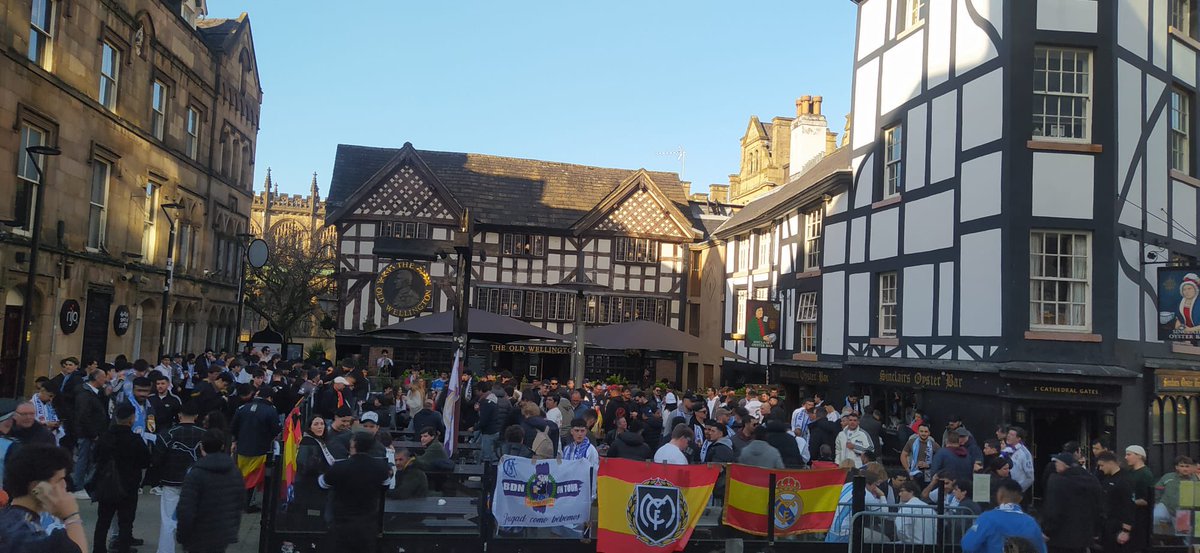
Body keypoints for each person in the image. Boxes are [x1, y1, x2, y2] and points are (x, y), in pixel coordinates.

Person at [0, 444, 88, 553]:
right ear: (37, 488)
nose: (64, 485)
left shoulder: (7, 518)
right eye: (59, 480)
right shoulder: (31, 537)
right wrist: (71, 516)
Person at [91, 402, 152, 553]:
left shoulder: (104, 437)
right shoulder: (135, 440)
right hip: (129, 484)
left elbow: (94, 457)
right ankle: (123, 547)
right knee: (126, 520)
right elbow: (146, 461)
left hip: (107, 483)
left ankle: (98, 548)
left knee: (103, 520)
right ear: (132, 420)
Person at [319, 432, 392, 553]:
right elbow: (386, 485)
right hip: (367, 525)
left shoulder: (340, 466)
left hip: (341, 525)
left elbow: (322, 483)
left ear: (354, 445)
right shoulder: (380, 468)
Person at [175, 429, 243, 553]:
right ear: (223, 446)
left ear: (202, 447)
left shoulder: (195, 473)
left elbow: (186, 510)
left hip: (198, 536)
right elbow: (238, 504)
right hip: (223, 534)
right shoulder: (234, 472)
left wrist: (182, 536)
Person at [157, 401, 206, 553]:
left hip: (171, 481)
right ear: (196, 416)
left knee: (168, 520)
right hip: (197, 483)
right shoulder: (205, 434)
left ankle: (165, 550)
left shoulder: (168, 434)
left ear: (179, 415)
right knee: (196, 519)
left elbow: (157, 459)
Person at [230, 384, 280, 513]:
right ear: (269, 398)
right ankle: (247, 504)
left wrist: (235, 441)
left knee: (243, 475)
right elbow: (275, 429)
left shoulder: (242, 408)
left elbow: (233, 427)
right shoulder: (271, 410)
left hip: (242, 448)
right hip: (260, 449)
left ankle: (239, 502)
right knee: (253, 477)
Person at [961, 480, 1047, 553]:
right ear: (1020, 498)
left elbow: (968, 545)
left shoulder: (987, 518)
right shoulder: (1031, 522)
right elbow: (1042, 549)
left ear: (999, 495)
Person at [1041, 452, 1102, 553]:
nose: (1055, 465)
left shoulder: (1057, 481)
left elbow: (1053, 509)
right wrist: (1096, 531)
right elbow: (1098, 507)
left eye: (1057, 462)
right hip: (1084, 536)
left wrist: (1047, 531)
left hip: (1060, 537)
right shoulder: (1092, 480)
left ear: (1064, 464)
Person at [292, 415, 335, 524]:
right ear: (309, 427)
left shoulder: (318, 440)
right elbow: (304, 464)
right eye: (316, 424)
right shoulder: (308, 442)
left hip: (314, 483)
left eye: (322, 424)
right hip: (309, 484)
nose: (320, 427)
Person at [1098, 451, 1136, 553]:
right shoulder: (1107, 479)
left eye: (1102, 465)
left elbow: (1129, 506)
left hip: (1118, 526)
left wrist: (1125, 531)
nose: (1100, 468)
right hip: (1107, 526)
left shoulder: (1124, 480)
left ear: (1110, 463)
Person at [1154, 456, 1197, 536]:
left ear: (1191, 467)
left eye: (1187, 466)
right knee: (1157, 517)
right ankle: (1162, 539)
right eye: (1182, 466)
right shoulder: (1168, 477)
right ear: (1177, 467)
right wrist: (1157, 502)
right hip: (1166, 507)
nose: (1185, 469)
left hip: (1184, 511)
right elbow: (1157, 489)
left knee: (1183, 537)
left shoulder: (1195, 481)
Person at [1124, 445, 1155, 551]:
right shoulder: (1129, 472)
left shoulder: (1145, 474)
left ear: (1139, 456)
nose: (1126, 457)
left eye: (1129, 454)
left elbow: (1145, 500)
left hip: (1140, 519)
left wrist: (1127, 502)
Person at [1004, 426, 1035, 495]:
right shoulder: (1006, 450)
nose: (1008, 436)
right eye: (1008, 434)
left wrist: (1018, 490)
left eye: (1011, 435)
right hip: (1005, 490)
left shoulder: (1024, 453)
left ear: (1018, 439)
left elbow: (1030, 477)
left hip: (1016, 492)